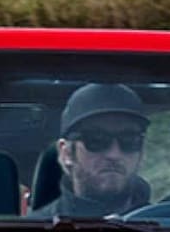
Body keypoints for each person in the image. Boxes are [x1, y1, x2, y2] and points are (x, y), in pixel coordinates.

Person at [36, 82, 150, 218]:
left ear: (142, 152)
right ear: (66, 153)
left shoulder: (168, 228)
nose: (114, 154)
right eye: (96, 140)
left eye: (129, 141)